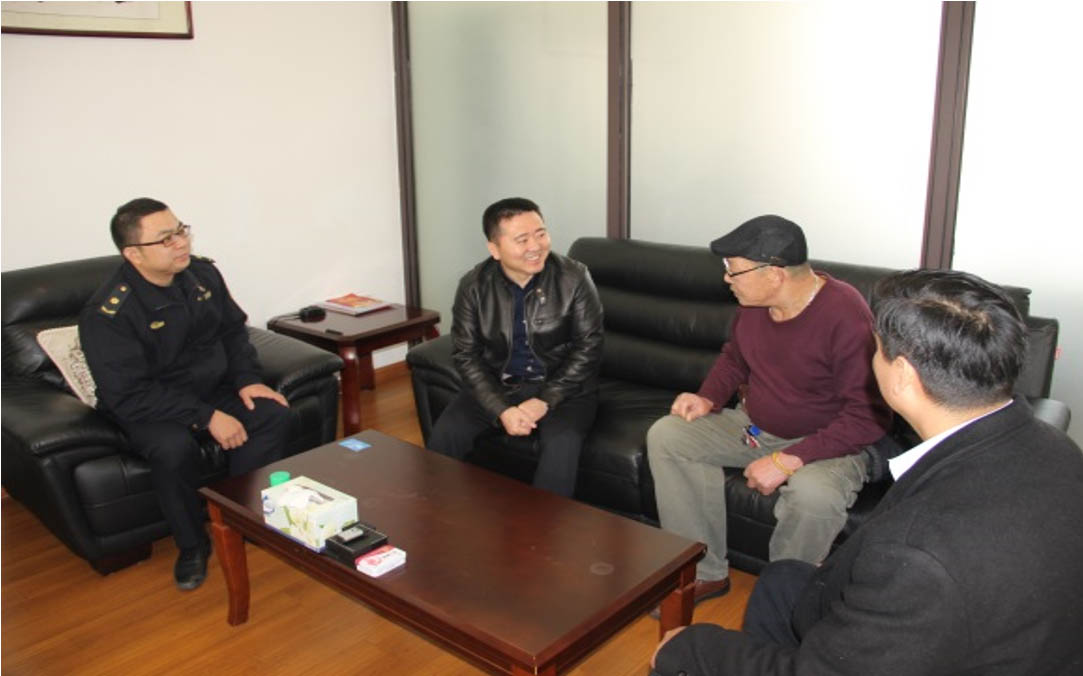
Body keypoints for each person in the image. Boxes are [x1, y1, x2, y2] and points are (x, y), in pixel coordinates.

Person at [651, 269, 1083, 675]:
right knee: (781, 579)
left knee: (686, 653)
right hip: (977, 633)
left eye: (875, 349)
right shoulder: (1058, 449)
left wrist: (689, 647)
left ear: (902, 376)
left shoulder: (915, 555)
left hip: (907, 647)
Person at [647, 215, 891, 606]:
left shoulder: (845, 315)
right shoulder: (754, 304)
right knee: (669, 435)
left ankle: (783, 602)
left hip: (828, 444)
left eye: (734, 270)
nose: (727, 279)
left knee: (813, 496)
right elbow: (735, 357)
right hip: (756, 427)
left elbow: (868, 415)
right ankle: (704, 572)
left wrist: (790, 459)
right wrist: (708, 397)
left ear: (775, 274)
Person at [79, 197, 290, 591]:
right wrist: (206, 416)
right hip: (148, 406)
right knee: (174, 449)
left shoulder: (202, 275)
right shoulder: (109, 313)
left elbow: (233, 330)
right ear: (133, 254)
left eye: (181, 231)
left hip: (208, 388)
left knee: (270, 412)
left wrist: (246, 378)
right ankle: (193, 545)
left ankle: (242, 518)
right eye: (166, 239)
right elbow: (128, 392)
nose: (181, 243)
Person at [428, 197, 603, 496]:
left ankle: (545, 524)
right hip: (498, 384)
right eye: (522, 240)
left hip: (565, 390)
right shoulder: (474, 286)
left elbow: (589, 346)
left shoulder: (573, 277)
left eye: (541, 234)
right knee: (444, 439)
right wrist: (501, 409)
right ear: (495, 249)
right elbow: (466, 355)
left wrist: (545, 400)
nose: (535, 246)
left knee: (561, 447)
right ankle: (432, 513)